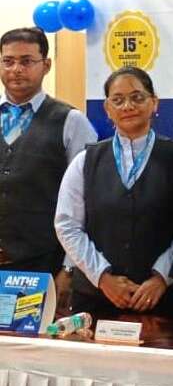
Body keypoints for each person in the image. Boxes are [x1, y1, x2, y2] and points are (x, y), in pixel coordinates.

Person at [55, 67, 173, 318]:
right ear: (107, 108)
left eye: (137, 97)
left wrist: (162, 277)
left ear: (154, 103)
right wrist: (102, 277)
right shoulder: (86, 160)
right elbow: (67, 225)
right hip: (96, 298)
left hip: (162, 299)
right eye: (117, 100)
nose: (128, 106)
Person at [0, 27, 97, 305]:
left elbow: (87, 202)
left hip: (44, 265)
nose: (16, 69)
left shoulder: (71, 121)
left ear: (46, 65)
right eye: (8, 61)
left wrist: (69, 269)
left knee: (38, 335)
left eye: (26, 61)